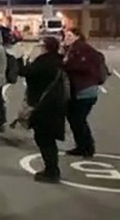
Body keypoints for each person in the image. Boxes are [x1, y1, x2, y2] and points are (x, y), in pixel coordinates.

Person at [19, 37, 67, 183]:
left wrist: (20, 58)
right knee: (47, 138)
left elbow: (26, 72)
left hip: (44, 107)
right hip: (53, 105)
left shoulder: (44, 62)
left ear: (45, 48)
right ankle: (51, 168)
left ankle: (52, 171)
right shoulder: (56, 60)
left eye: (39, 45)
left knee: (45, 139)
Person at [63, 28, 101, 158]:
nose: (66, 38)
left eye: (69, 36)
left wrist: (66, 65)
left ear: (77, 37)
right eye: (65, 35)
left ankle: (87, 147)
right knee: (75, 119)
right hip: (79, 90)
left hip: (84, 90)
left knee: (78, 119)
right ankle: (82, 146)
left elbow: (84, 67)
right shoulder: (72, 49)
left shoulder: (82, 50)